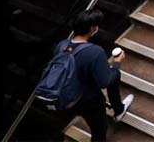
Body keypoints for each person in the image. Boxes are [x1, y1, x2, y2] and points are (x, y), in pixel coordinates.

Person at [54, 10, 134, 141]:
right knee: (99, 132)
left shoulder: (61, 45)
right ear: (92, 28)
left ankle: (119, 108)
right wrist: (117, 64)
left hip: (65, 98)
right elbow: (105, 81)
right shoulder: (94, 52)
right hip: (88, 102)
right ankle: (118, 110)